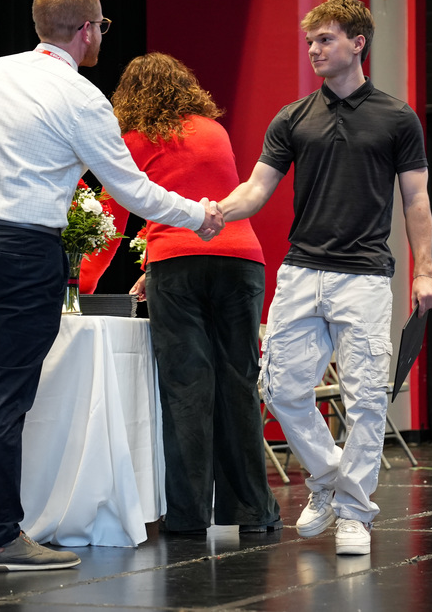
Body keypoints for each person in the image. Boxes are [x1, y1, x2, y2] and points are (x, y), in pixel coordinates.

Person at [0, 0, 224, 572]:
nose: (101, 38)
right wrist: (200, 215)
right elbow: (130, 189)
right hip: (22, 250)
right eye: (102, 28)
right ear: (86, 30)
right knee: (4, 398)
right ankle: (4, 537)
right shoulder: (81, 97)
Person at [217, 0, 432, 556]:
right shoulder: (292, 118)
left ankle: (355, 515)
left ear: (358, 43)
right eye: (311, 41)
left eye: (326, 40)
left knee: (366, 397)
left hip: (364, 276)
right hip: (300, 271)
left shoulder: (397, 117)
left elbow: (416, 200)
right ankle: (329, 480)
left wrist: (425, 272)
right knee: (280, 388)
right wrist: (214, 211)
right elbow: (256, 189)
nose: (314, 50)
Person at [104, 52, 282, 535]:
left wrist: (84, 281)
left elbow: (114, 210)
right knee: (239, 386)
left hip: (178, 266)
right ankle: (251, 511)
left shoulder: (135, 138)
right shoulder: (213, 130)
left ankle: (187, 517)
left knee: (187, 390)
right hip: (241, 260)